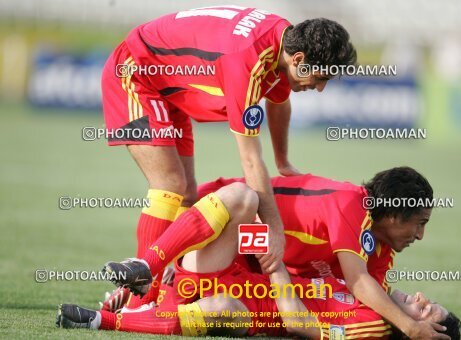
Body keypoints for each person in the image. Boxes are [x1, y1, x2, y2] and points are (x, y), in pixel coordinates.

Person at [101, 5, 356, 308]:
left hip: (170, 86)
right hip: (136, 71)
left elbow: (279, 100)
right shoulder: (246, 62)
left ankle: (159, 290)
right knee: (169, 183)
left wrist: (283, 160)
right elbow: (250, 161)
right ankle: (139, 302)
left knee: (187, 193)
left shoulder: (285, 39)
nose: (321, 87)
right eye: (321, 76)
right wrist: (273, 231)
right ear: (299, 60)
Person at [101, 167, 451, 338]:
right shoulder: (352, 205)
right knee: (243, 197)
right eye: (419, 223)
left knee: (219, 306)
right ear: (392, 214)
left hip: (242, 265)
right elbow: (358, 284)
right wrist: (412, 327)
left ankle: (140, 302)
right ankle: (146, 277)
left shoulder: (378, 255)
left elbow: (365, 294)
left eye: (427, 307)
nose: (421, 235)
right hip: (211, 222)